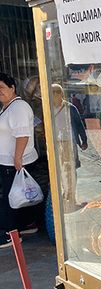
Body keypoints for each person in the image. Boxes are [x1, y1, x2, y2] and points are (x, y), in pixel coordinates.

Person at [0, 72, 40, 248]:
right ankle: (27, 224)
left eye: (1, 87)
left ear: (12, 87)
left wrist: (17, 159)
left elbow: (22, 135)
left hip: (15, 161)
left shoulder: (19, 107)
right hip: (9, 160)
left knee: (10, 197)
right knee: (20, 193)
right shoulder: (8, 107)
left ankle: (9, 233)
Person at [52, 84, 88, 210]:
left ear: (62, 94)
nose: (56, 94)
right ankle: (64, 195)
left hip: (69, 143)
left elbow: (79, 125)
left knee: (71, 170)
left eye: (58, 92)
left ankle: (72, 197)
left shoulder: (70, 108)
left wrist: (84, 140)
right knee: (59, 170)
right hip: (54, 144)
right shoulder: (48, 109)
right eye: (53, 92)